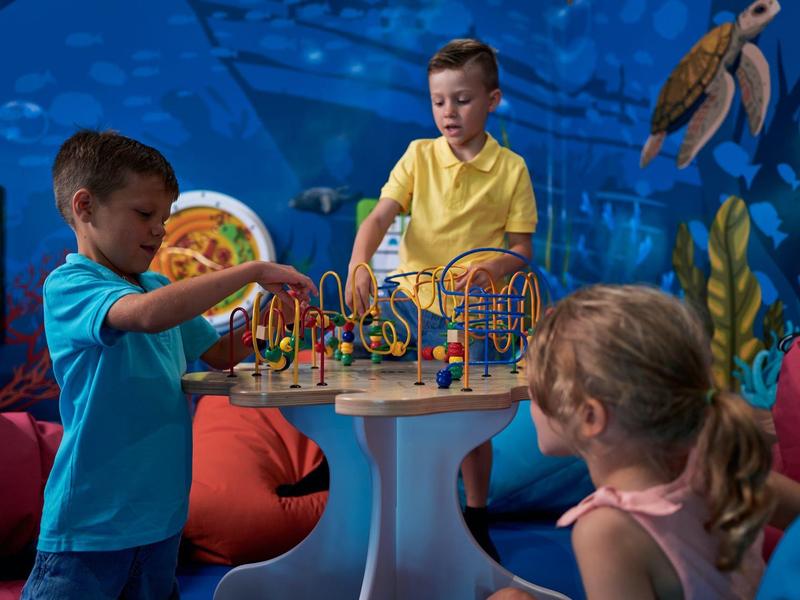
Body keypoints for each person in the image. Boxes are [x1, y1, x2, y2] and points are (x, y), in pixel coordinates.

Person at [21, 130, 317, 600]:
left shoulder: (153, 282)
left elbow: (221, 354)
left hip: (160, 524)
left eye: (164, 217)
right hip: (91, 529)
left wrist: (274, 315)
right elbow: (145, 315)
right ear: (85, 207)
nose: (160, 230)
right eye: (144, 214)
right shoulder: (70, 285)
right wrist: (253, 270)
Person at [341, 37, 538, 562]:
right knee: (352, 357)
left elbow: (521, 250)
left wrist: (492, 266)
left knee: (469, 418)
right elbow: (380, 216)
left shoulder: (511, 169)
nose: (449, 112)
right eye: (438, 101)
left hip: (472, 311)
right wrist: (361, 261)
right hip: (410, 302)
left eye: (463, 100)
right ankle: (356, 492)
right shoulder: (418, 155)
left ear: (492, 100)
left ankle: (476, 516)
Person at [489, 285, 774, 600]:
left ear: (590, 417)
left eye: (534, 392)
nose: (530, 403)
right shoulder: (720, 461)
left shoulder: (606, 531)